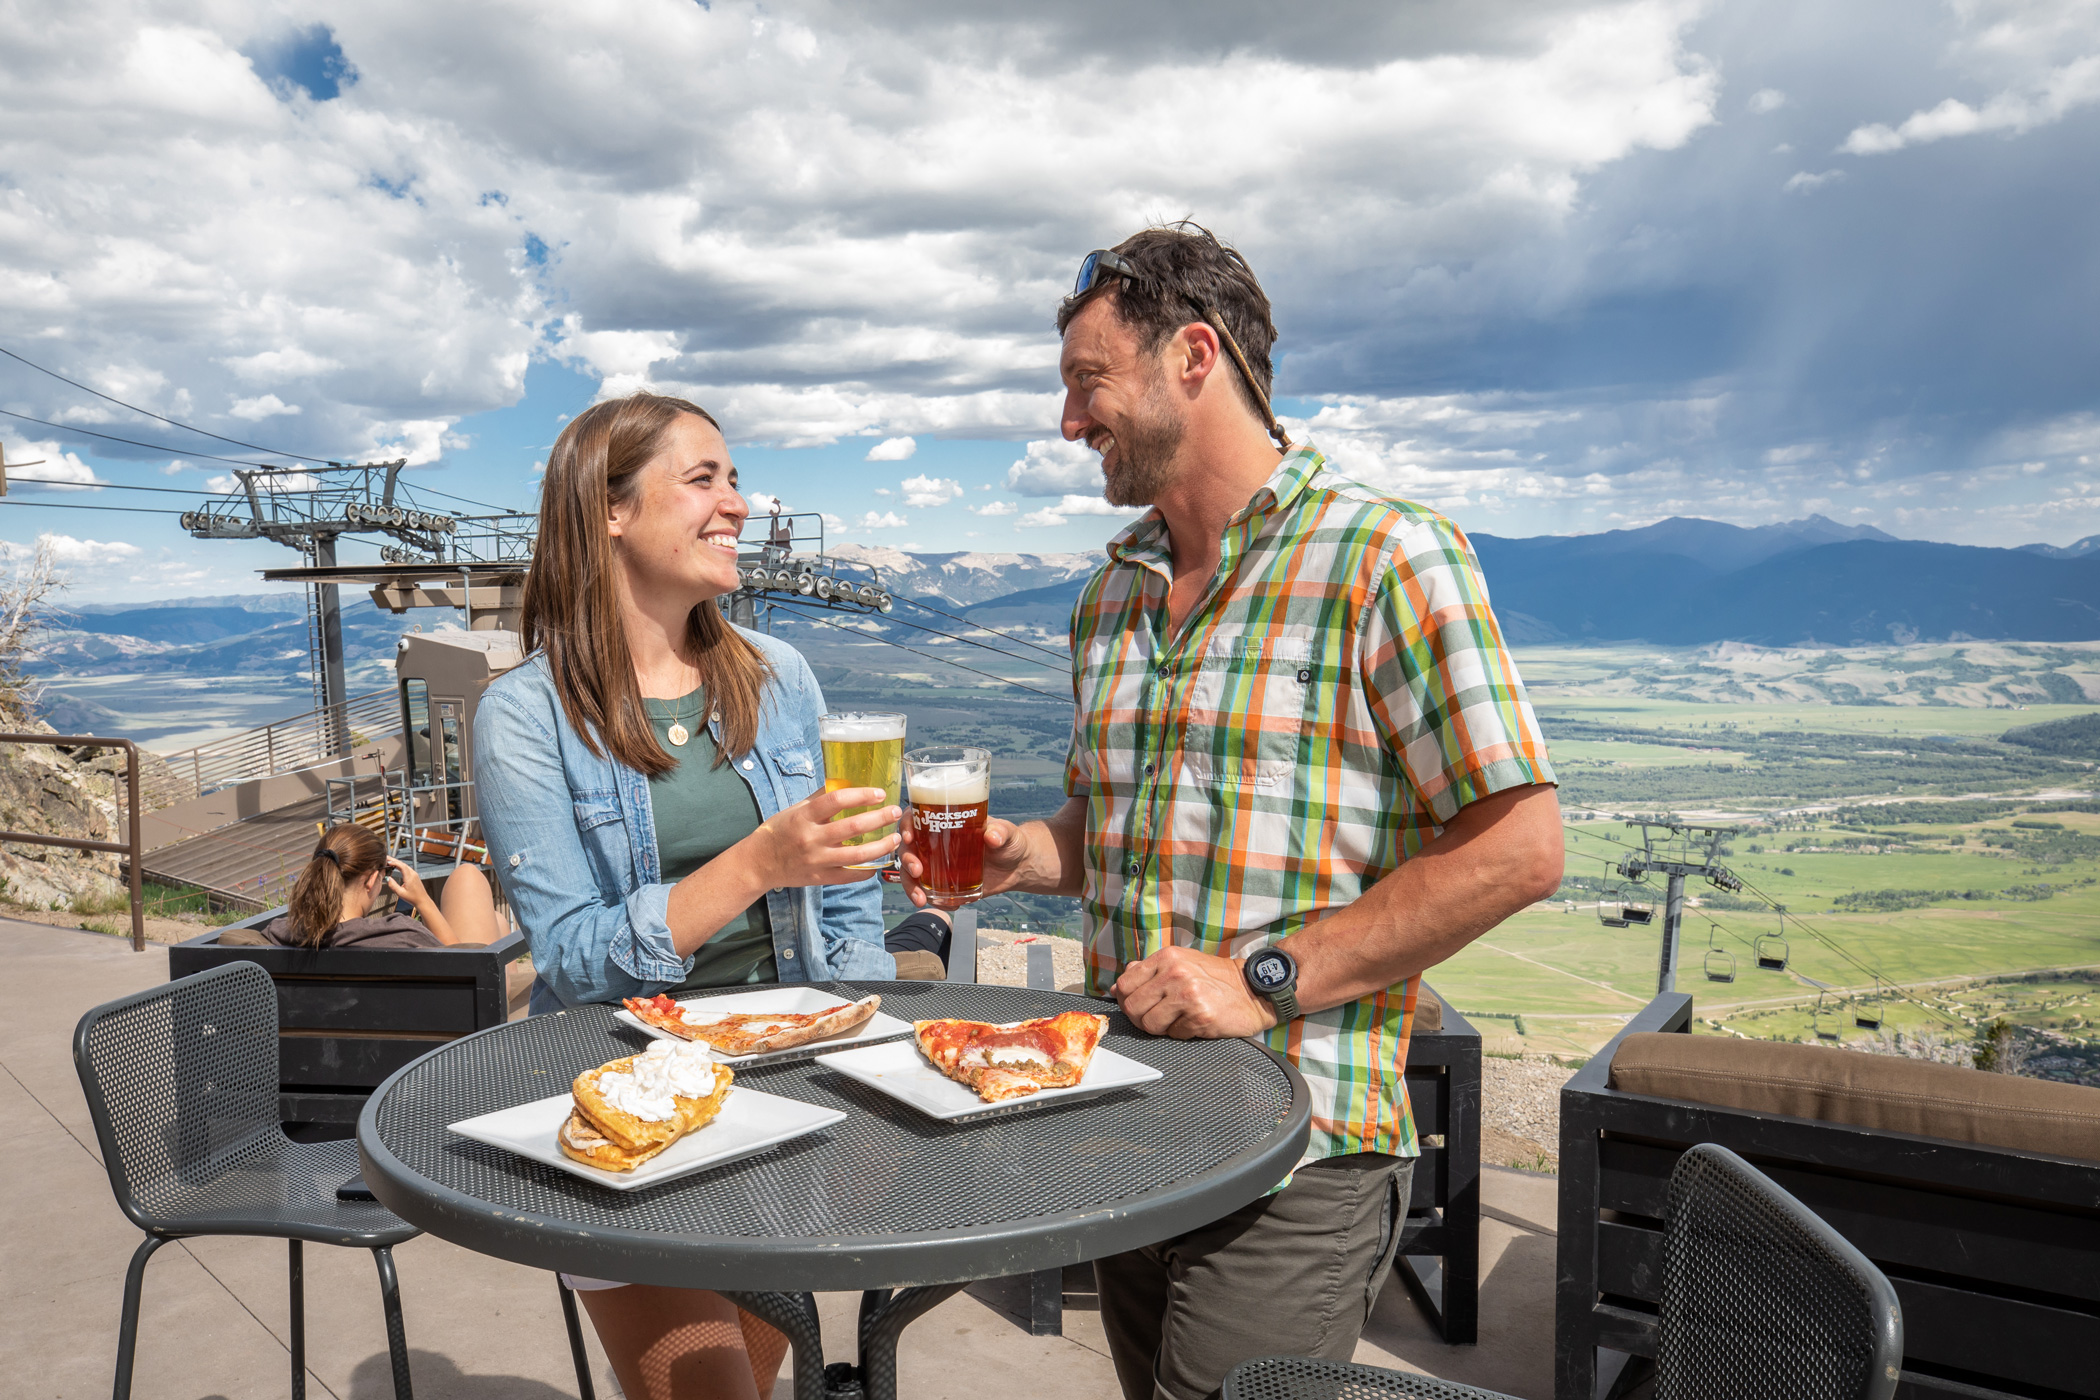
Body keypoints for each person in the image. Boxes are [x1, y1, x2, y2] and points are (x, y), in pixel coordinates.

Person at [901, 224, 1564, 1400]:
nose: (1067, 423)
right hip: (1127, 1112)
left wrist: (1257, 977)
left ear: (1194, 355)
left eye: (1086, 382)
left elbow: (1520, 847)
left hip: (1301, 1143)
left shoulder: (1387, 556)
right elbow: (1120, 832)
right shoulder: (1111, 594)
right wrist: (1019, 854)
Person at [473, 391, 900, 1400]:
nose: (738, 504)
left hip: (790, 1090)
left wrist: (874, 1059)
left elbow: (844, 906)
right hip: (628, 1095)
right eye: (703, 479)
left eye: (735, 478)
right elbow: (572, 957)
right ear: (609, 510)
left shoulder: (778, 675)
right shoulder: (525, 713)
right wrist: (754, 863)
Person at [257, 821, 504, 948]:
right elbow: (468, 966)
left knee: (499, 921)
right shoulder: (400, 934)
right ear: (372, 879)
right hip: (455, 1040)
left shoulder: (280, 933)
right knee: (467, 875)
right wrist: (423, 901)